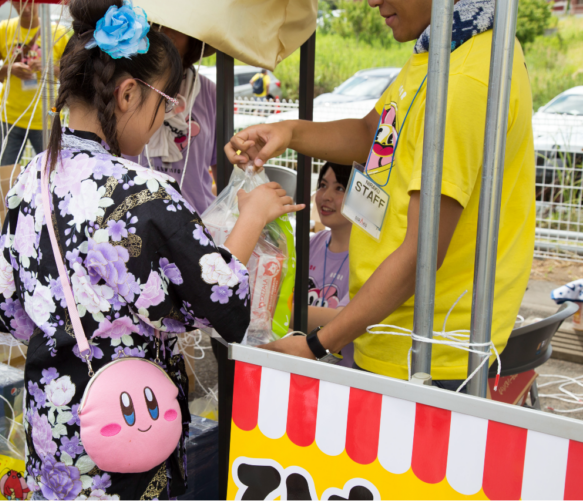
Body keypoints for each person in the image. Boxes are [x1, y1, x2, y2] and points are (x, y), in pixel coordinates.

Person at [0, 1, 303, 498]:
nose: (168, 118)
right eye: (166, 102)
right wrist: (253, 215)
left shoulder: (31, 177)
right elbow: (222, 299)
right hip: (127, 424)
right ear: (128, 94)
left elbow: (7, 304)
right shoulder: (142, 190)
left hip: (55, 422)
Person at [226, 0, 535, 390]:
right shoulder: (442, 47)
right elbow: (376, 132)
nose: (372, 1)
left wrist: (319, 345)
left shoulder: (466, 78)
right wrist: (289, 131)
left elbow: (421, 255)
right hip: (393, 334)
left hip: (428, 355)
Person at [125, 28, 218, 214]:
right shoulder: (124, 87)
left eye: (176, 26)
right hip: (132, 222)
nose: (163, 30)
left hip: (197, 226)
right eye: (156, 23)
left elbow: (222, 170)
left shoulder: (210, 93)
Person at [0, 0, 70, 167]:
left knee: (51, 175)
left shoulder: (58, 33)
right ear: (12, 4)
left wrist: (48, 68)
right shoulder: (2, 30)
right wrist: (10, 69)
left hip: (47, 117)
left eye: (30, 2)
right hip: (9, 117)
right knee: (2, 174)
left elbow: (71, 74)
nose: (25, 7)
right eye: (18, 2)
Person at [306, 162, 355, 367]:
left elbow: (342, 320)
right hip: (304, 366)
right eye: (323, 185)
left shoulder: (367, 258)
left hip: (344, 379)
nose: (326, 196)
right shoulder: (313, 242)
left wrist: (270, 310)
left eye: (340, 188)